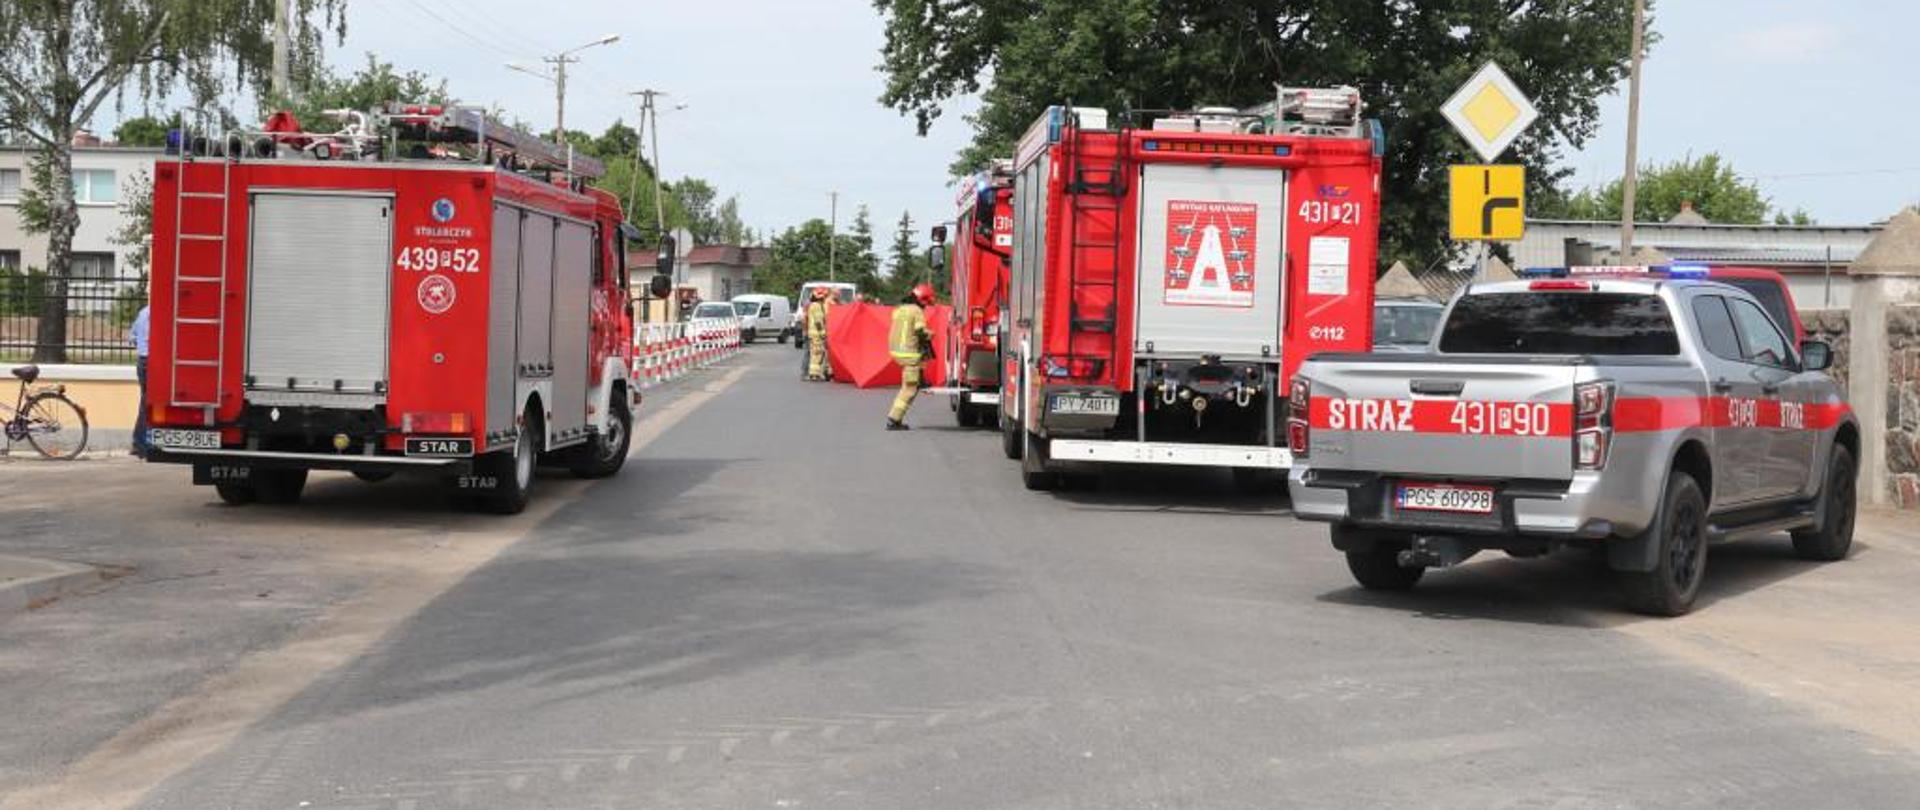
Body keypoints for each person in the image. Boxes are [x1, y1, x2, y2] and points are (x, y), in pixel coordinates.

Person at [886, 283, 936, 430]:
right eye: (926, 303)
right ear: (921, 300)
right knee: (909, 388)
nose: (926, 306)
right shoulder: (916, 311)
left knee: (921, 357)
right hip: (909, 353)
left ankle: (920, 378)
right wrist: (930, 334)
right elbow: (920, 330)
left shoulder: (900, 309)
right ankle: (894, 419)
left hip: (897, 350)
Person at [128, 304, 151, 458]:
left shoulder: (143, 311)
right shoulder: (156, 313)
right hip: (151, 360)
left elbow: (132, 338)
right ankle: (139, 442)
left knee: (145, 400)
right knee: (147, 401)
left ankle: (140, 442)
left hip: (141, 361)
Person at [804, 287, 832, 381]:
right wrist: (823, 333)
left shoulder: (814, 305)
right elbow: (818, 321)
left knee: (816, 353)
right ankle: (815, 374)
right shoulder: (816, 306)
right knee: (817, 354)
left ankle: (814, 374)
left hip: (813, 334)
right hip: (817, 334)